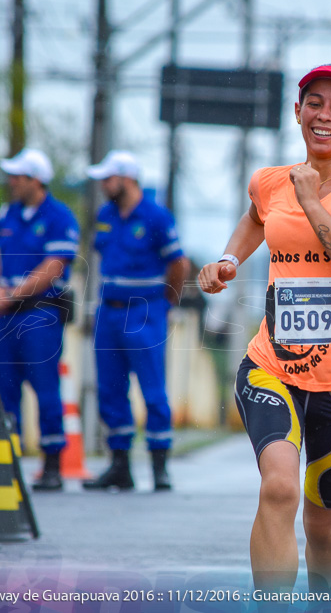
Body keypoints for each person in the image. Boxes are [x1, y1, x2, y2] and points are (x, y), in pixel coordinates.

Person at [197, 64, 331, 592]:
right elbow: (256, 218)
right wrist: (228, 261)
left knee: (323, 525)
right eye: (314, 102)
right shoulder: (271, 180)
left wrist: (311, 199)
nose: (324, 114)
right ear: (298, 111)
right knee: (278, 490)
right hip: (271, 367)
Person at [84, 150, 189, 492]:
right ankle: (120, 465)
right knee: (110, 390)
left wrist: (165, 302)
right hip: (109, 311)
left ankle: (159, 465)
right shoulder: (106, 215)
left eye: (108, 178)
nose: (103, 184)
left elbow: (179, 264)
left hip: (145, 311)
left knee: (153, 389)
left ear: (127, 179)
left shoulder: (156, 217)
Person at [0, 148, 79, 492]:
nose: (11, 183)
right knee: (3, 389)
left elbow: (53, 267)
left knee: (45, 388)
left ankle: (52, 463)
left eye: (17, 177)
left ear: (35, 181)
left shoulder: (58, 216)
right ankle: (5, 460)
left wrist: (15, 293)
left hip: (39, 313)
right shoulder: (6, 213)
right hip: (4, 316)